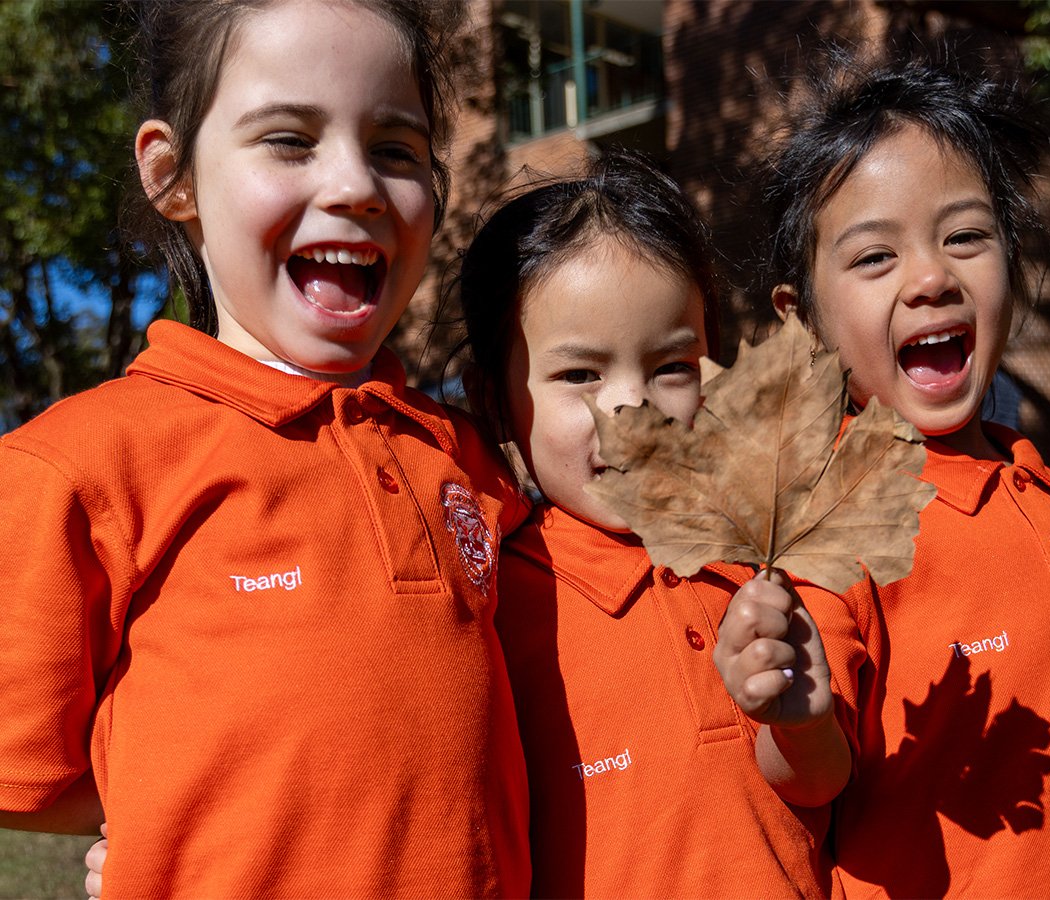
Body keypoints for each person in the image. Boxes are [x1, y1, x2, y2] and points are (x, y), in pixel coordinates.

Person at [0, 2, 530, 896]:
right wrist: (168, 818)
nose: (357, 182)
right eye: (289, 139)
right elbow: (21, 772)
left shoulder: (471, 456)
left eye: (398, 150)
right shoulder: (80, 463)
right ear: (173, 174)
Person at [719, 53, 1050, 897]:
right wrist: (794, 717)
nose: (932, 278)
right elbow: (810, 777)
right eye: (873, 258)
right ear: (803, 323)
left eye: (966, 236)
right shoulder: (835, 529)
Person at [457, 150, 851, 897]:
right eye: (580, 375)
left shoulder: (767, 565)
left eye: (672, 365)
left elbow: (820, 786)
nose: (632, 406)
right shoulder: (493, 612)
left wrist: (800, 723)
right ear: (494, 398)